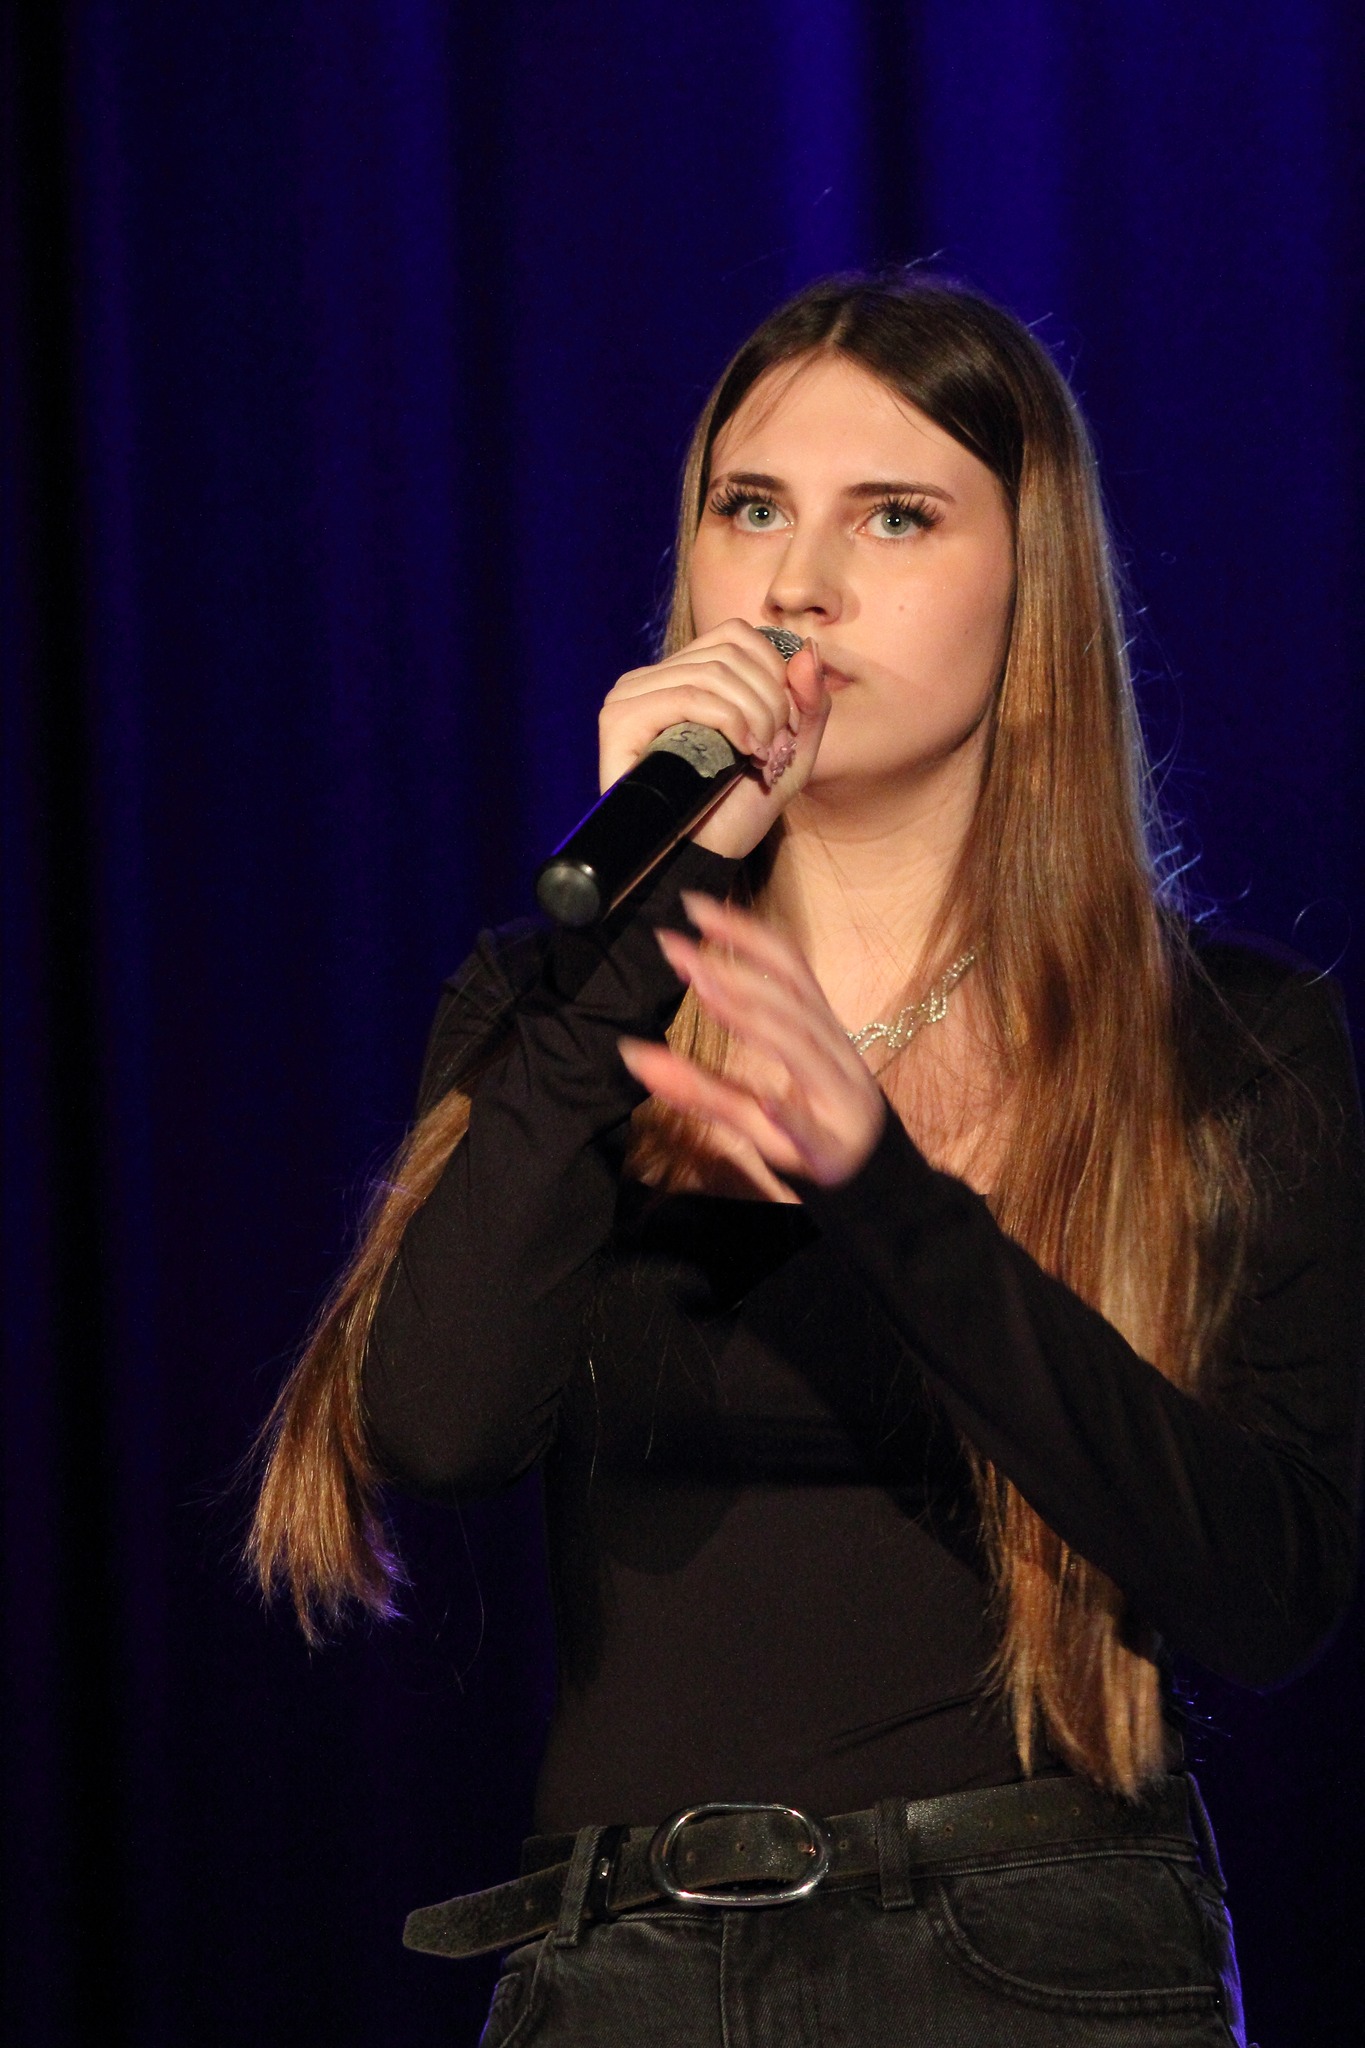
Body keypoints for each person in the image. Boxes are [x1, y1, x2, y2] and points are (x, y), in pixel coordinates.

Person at [249, 275, 1364, 2047]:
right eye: (750, 508)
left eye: (893, 517)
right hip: (620, 1962)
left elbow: (1263, 1589)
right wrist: (652, 908)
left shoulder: (1226, 1043)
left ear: (1030, 588)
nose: (796, 585)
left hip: (1035, 1955)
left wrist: (883, 1194)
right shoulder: (556, 1003)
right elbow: (439, 1429)